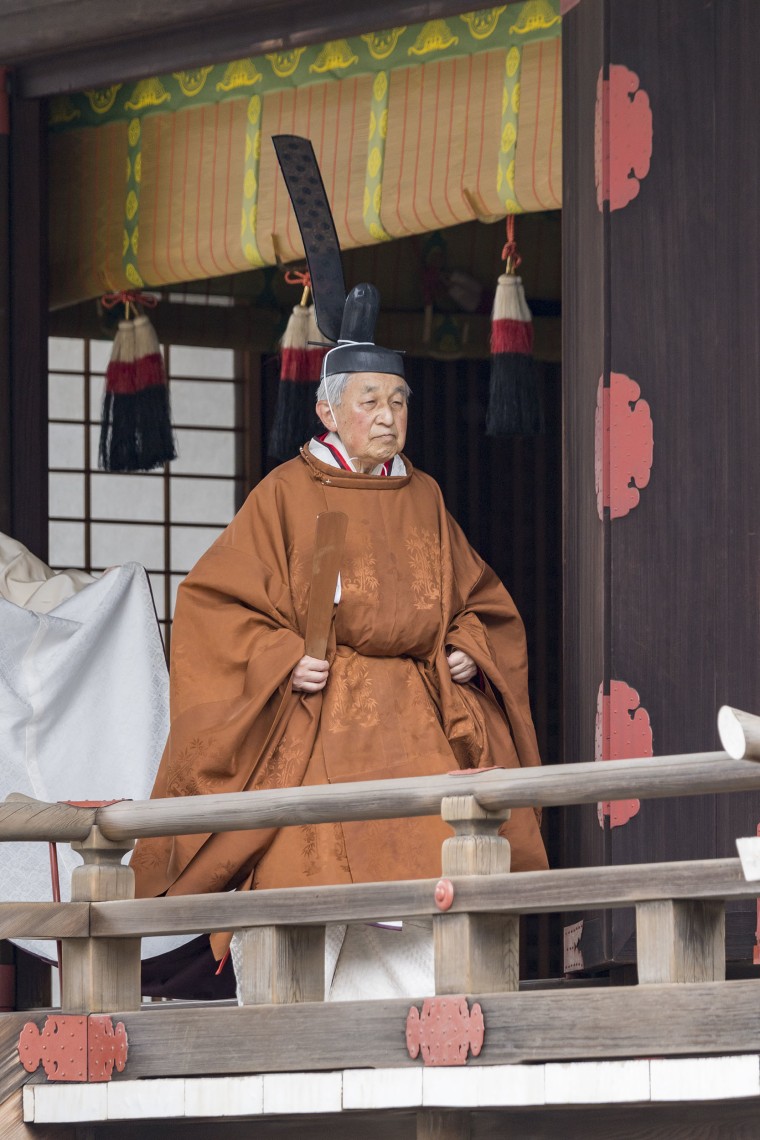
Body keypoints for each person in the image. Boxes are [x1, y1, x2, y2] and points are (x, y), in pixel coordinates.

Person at [132, 338, 549, 991]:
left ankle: (430, 1042)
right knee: (304, 876)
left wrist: (468, 646)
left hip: (415, 722)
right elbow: (215, 608)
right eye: (371, 402)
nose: (388, 418)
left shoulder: (425, 495)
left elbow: (477, 600)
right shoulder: (287, 494)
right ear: (327, 411)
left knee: (432, 884)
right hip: (317, 723)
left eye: (399, 403)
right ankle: (287, 1040)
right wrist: (282, 658)